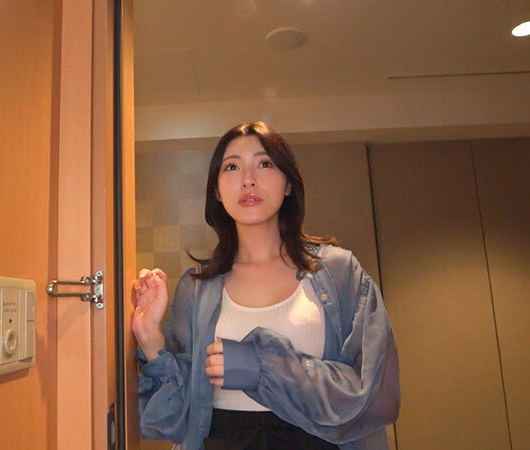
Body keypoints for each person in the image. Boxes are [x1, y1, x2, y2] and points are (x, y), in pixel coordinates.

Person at [130, 121, 400, 450]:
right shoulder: (196, 288)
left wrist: (261, 367)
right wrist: (150, 337)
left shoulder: (340, 272)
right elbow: (173, 420)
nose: (248, 179)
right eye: (232, 167)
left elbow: (377, 395)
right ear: (217, 191)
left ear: (288, 184)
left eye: (265, 163)